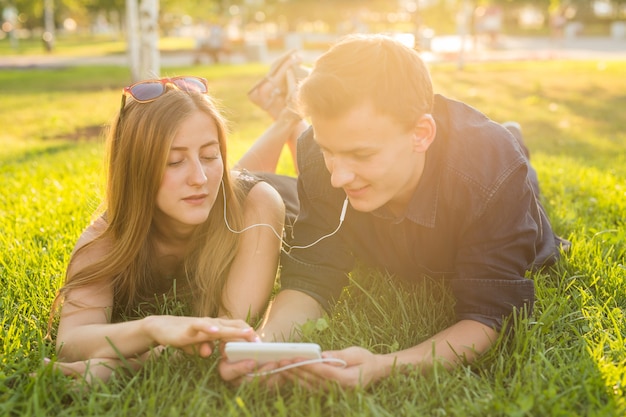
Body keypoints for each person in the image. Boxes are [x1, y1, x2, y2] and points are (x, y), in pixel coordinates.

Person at [219, 34, 569, 389]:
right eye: (330, 150)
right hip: (397, 231)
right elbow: (311, 276)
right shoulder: (317, 153)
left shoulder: (490, 172)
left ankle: (515, 138)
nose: (338, 176)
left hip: (491, 178)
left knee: (523, 180)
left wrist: (383, 365)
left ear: (421, 133)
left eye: (362, 155)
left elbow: (489, 316)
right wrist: (267, 348)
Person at [47, 76, 290, 383]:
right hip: (242, 184)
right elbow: (72, 342)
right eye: (174, 161)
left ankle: (291, 118)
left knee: (283, 172)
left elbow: (230, 329)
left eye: (210, 155)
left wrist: (128, 367)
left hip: (289, 198)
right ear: (137, 170)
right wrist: (151, 328)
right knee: (243, 174)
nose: (200, 177)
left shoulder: (258, 206)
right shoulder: (104, 238)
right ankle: (287, 116)